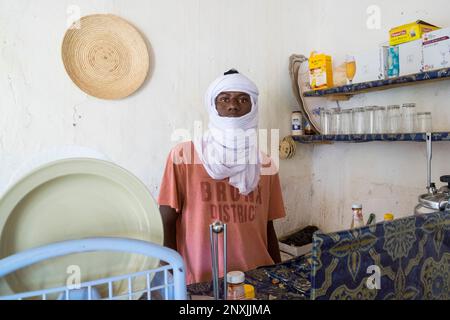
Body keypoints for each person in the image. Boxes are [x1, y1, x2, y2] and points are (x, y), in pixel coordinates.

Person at [157, 69, 286, 285]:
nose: (233, 105)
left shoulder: (265, 164)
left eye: (243, 99)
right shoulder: (183, 156)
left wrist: (278, 275)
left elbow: (267, 227)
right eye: (224, 99)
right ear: (213, 106)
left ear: (253, 107)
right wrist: (173, 276)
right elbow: (166, 221)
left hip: (256, 279)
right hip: (200, 282)